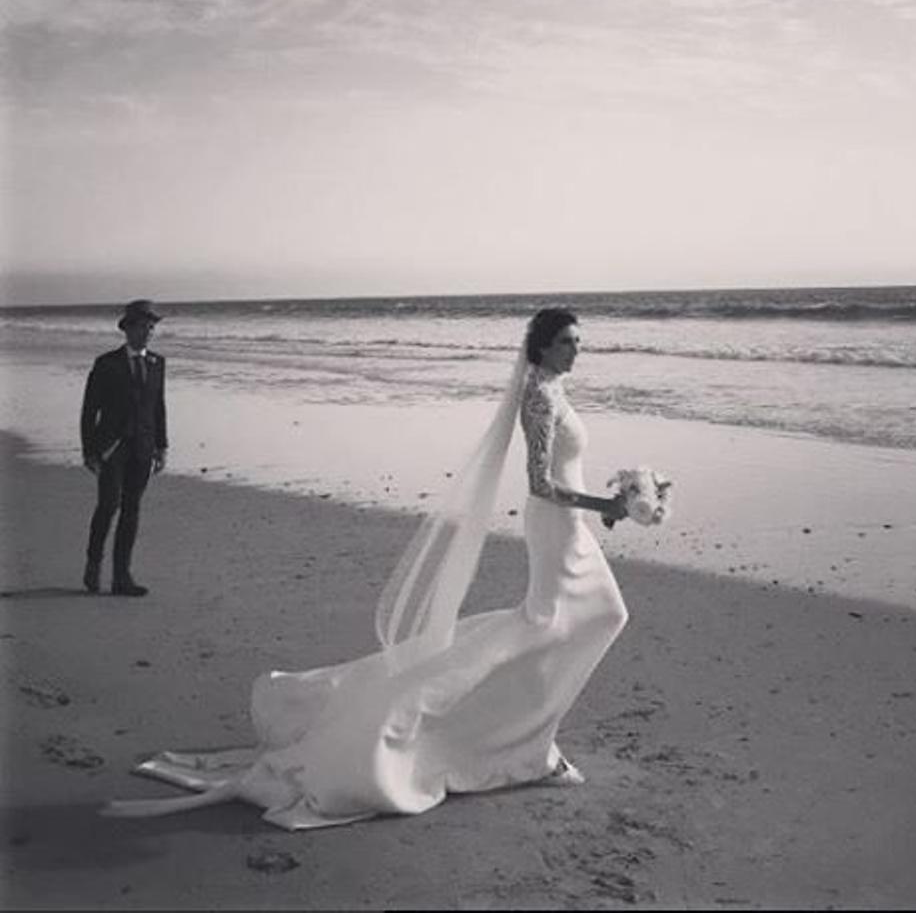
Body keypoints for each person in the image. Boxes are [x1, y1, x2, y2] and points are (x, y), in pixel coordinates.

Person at [104, 307, 629, 827]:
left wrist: (609, 507)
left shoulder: (554, 388)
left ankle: (528, 743)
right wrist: (606, 506)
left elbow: (564, 466)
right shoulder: (538, 396)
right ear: (540, 348)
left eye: (578, 341)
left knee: (583, 619)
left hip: (569, 525)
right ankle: (524, 746)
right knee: (568, 621)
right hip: (556, 523)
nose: (575, 349)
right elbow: (539, 482)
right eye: (566, 341)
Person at [81, 299, 168, 597]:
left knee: (132, 509)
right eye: (143, 326)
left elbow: (158, 408)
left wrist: (161, 446)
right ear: (128, 329)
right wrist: (89, 451)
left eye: (152, 327)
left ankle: (122, 577)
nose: (148, 332)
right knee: (108, 505)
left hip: (143, 448)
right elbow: (89, 410)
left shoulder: (158, 363)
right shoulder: (106, 364)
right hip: (111, 448)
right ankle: (94, 563)